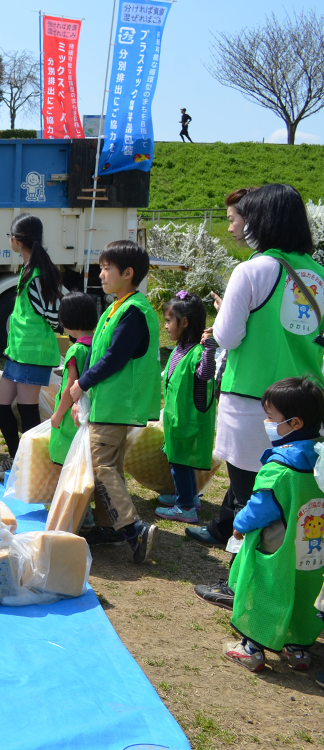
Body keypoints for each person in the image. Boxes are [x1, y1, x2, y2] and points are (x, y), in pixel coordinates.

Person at [190, 185, 324, 607]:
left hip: (254, 404)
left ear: (260, 222)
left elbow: (228, 336)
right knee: (294, 500)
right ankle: (284, 584)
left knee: (252, 498)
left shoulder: (253, 270)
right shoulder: (316, 273)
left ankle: (242, 586)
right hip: (306, 404)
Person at [50, 240, 159, 563]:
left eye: (106, 268)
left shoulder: (134, 311)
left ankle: (132, 529)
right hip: (108, 403)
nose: (101, 274)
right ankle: (109, 526)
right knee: (108, 466)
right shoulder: (117, 306)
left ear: (128, 273)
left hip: (116, 404)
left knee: (101, 467)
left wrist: (81, 385)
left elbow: (114, 358)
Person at [223, 377, 324, 673]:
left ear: (295, 423)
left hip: (276, 545)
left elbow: (259, 509)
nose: (266, 421)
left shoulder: (279, 469)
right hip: (311, 547)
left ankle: (251, 649)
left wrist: (239, 524)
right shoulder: (321, 461)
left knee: (267, 590)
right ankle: (299, 650)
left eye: (271, 417)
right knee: (306, 591)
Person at [0, 214, 62, 470]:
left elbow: (54, 315)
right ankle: (18, 457)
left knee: (27, 409)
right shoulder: (29, 269)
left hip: (33, 354)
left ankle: (30, 465)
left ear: (17, 240)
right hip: (19, 353)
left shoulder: (39, 273)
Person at [154, 292, 218, 524]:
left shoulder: (197, 352)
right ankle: (189, 496)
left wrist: (210, 349)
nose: (166, 326)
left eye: (170, 320)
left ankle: (185, 507)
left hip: (188, 421)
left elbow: (206, 373)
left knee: (180, 463)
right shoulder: (180, 349)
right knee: (180, 461)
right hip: (177, 419)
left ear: (185, 322)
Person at [48, 292, 97, 467]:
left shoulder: (76, 350)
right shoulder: (98, 345)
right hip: (91, 412)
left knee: (67, 460)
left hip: (72, 417)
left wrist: (58, 414)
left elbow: (71, 387)